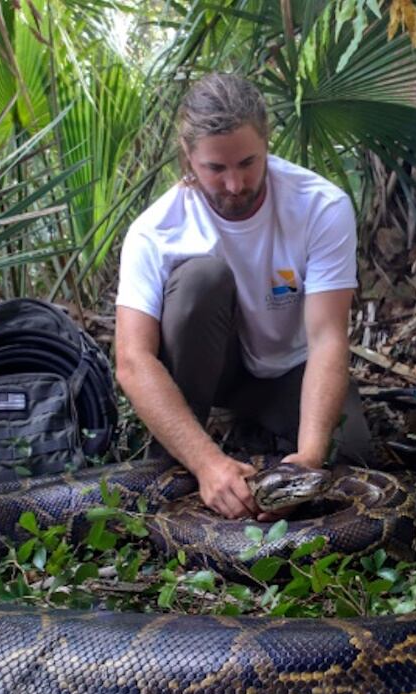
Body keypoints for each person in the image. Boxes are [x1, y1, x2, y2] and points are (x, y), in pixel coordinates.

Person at [114, 73, 370, 520]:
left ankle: (259, 433)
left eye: (248, 163)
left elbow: (329, 338)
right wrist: (206, 463)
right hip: (214, 375)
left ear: (267, 141)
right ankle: (174, 460)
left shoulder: (320, 206)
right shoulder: (154, 231)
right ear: (189, 157)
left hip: (290, 369)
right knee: (200, 281)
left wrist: (307, 461)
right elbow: (133, 360)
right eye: (216, 168)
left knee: (353, 456)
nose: (235, 184)